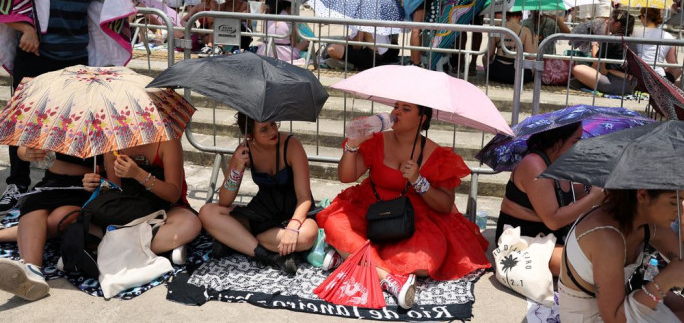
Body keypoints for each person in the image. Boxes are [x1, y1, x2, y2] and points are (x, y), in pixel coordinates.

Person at [0, 0, 133, 213]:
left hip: (74, 59)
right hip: (33, 56)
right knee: (23, 121)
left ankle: (56, 178)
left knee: (71, 121)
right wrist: (26, 29)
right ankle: (17, 182)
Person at [315, 102, 491, 309]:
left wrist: (419, 181)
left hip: (413, 217)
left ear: (421, 119)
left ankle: (347, 257)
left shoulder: (437, 155)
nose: (396, 112)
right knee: (336, 224)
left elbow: (445, 205)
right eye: (396, 107)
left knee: (425, 263)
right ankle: (389, 279)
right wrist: (352, 145)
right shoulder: (377, 140)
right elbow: (346, 177)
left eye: (406, 109)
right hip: (370, 208)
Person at [558, 189, 684, 323]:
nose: (679, 211)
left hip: (622, 302)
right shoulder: (608, 239)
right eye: (672, 202)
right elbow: (613, 318)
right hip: (596, 317)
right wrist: (663, 282)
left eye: (682, 201)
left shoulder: (647, 221)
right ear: (643, 195)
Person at [198, 115, 318, 276]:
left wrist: (293, 227)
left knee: (308, 237)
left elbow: (304, 197)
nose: (273, 131)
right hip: (263, 212)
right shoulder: (244, 151)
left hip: (296, 212)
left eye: (273, 124)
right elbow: (225, 200)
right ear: (250, 135)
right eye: (264, 129)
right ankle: (268, 255)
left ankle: (240, 242)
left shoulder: (292, 146)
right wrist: (237, 167)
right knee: (207, 212)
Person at [495, 123, 605, 275]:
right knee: (591, 266)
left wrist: (594, 186)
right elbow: (553, 220)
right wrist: (594, 196)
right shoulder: (534, 164)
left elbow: (578, 199)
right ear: (559, 141)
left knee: (610, 250)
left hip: (552, 236)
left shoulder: (562, 162)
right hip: (522, 241)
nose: (580, 145)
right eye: (576, 140)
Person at [0, 147, 97, 300]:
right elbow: (21, 149)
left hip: (84, 187)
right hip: (52, 183)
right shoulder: (54, 123)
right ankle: (32, 273)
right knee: (32, 209)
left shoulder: (106, 129)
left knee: (57, 221)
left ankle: (5, 235)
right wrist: (27, 154)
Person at [82, 140, 202, 263]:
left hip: (167, 208)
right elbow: (117, 192)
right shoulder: (113, 143)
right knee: (83, 224)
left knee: (190, 224)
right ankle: (162, 249)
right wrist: (98, 184)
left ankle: (110, 248)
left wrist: (139, 174)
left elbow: (173, 195)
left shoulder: (169, 142)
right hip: (133, 210)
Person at [485, 10, 537, 84]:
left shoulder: (497, 28)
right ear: (520, 17)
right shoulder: (525, 31)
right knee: (534, 67)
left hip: (496, 72)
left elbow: (489, 53)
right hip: (516, 74)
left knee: (484, 58)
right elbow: (531, 57)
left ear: (506, 16)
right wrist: (535, 42)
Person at [630, 8, 681, 83]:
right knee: (678, 70)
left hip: (637, 73)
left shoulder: (634, 32)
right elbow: (673, 64)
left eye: (640, 16)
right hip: (658, 75)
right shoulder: (668, 36)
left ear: (644, 16)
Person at [326, 26, 398, 71]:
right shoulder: (378, 16)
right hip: (386, 53)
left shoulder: (363, 19)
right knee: (341, 43)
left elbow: (357, 45)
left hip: (373, 57)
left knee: (332, 49)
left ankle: (350, 65)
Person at [265, 0, 309, 64]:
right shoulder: (291, 20)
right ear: (289, 8)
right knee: (307, 42)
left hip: (266, 50)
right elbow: (293, 44)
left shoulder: (267, 17)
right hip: (284, 55)